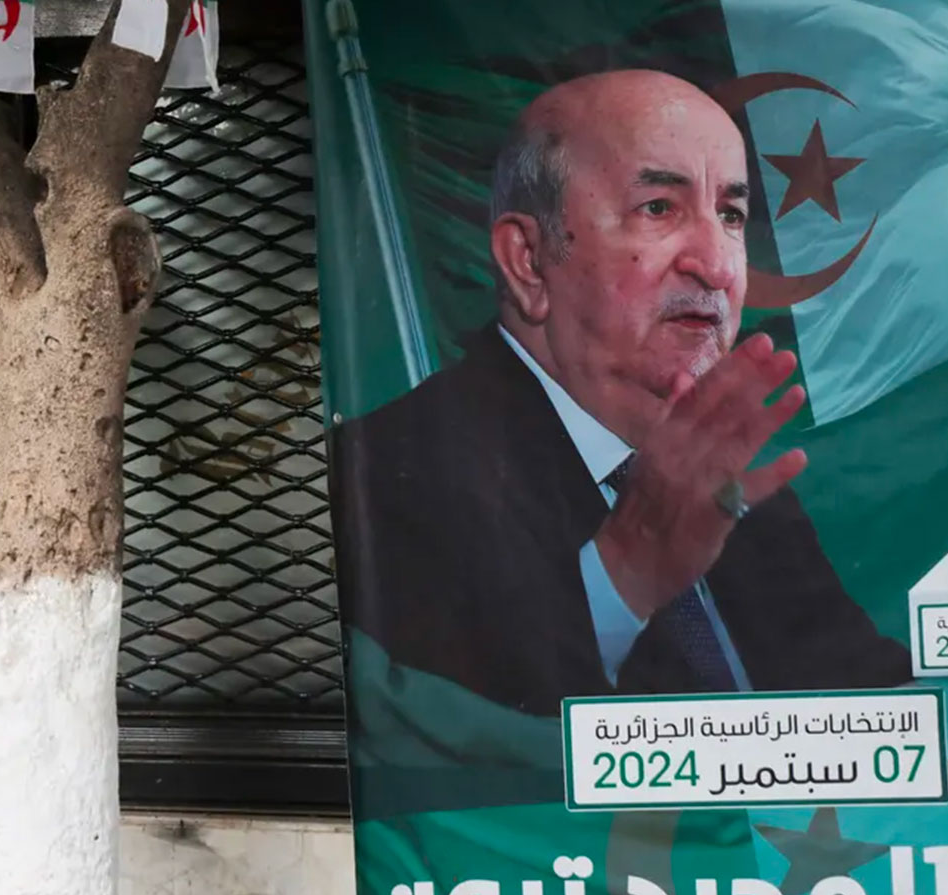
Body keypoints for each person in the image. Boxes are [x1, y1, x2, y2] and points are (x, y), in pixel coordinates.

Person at [331, 69, 909, 718]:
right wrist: (627, 567)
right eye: (658, 208)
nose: (718, 267)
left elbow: (869, 700)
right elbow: (464, 762)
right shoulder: (379, 477)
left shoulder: (724, 470)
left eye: (731, 215)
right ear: (528, 260)